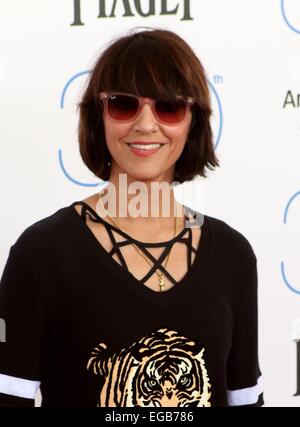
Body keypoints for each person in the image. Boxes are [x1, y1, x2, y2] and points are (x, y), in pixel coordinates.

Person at [0, 27, 263, 407]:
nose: (145, 124)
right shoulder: (42, 254)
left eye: (168, 106)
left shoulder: (232, 255)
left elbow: (245, 399)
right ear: (99, 117)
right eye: (123, 104)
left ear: (193, 122)